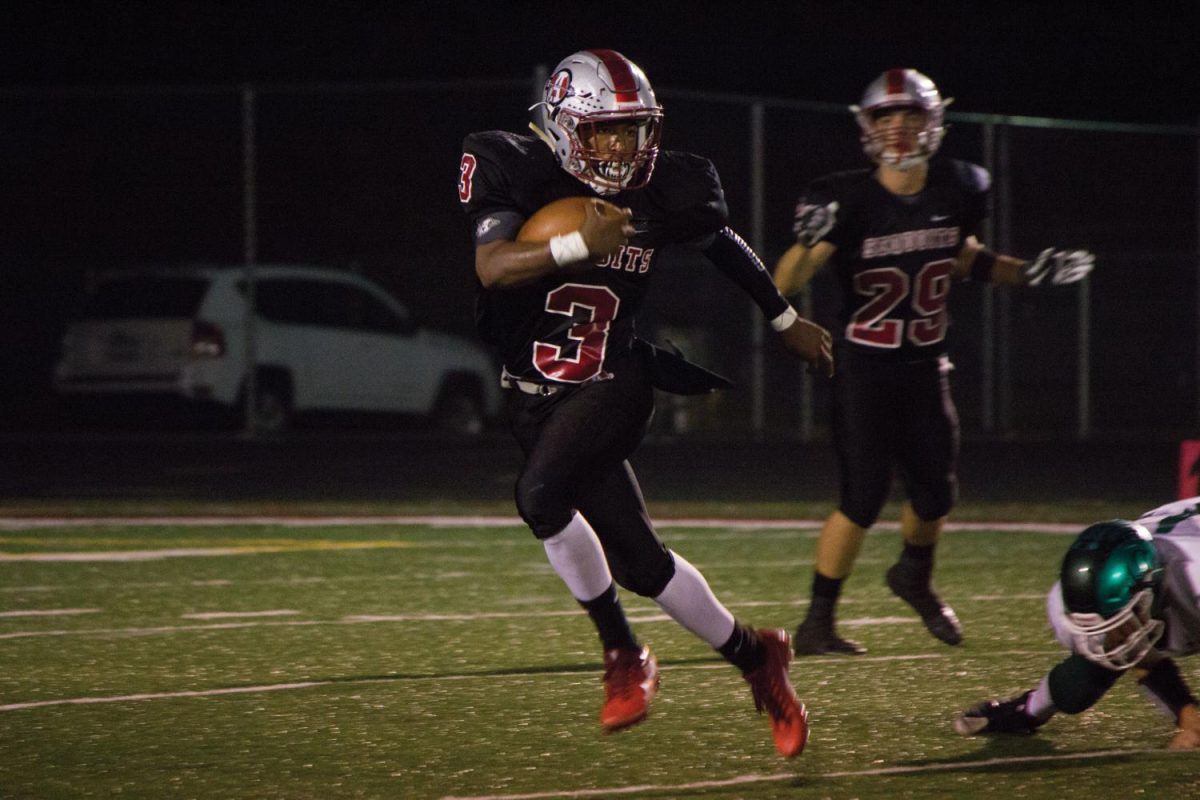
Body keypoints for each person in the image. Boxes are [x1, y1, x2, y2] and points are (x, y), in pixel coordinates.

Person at [457, 49, 832, 758]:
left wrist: (783, 319)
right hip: (533, 393)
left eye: (632, 131)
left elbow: (720, 241)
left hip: (616, 380)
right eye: (604, 132)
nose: (621, 149)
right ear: (565, 125)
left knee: (539, 496)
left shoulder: (667, 189)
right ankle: (759, 656)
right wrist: (574, 243)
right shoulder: (515, 167)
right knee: (642, 563)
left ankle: (624, 654)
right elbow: (493, 265)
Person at [772, 68, 1095, 656]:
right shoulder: (842, 195)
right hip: (864, 366)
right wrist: (808, 240)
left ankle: (913, 576)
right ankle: (819, 621)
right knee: (863, 496)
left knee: (937, 494)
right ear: (866, 126)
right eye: (884, 117)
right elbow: (784, 283)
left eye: (910, 115)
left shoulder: (963, 184)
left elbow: (964, 256)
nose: (897, 128)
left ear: (934, 121)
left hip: (925, 365)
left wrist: (1028, 273)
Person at [953, 497, 1200, 751]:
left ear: (1153, 587)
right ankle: (1025, 710)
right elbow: (1133, 652)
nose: (1116, 638)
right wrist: (1187, 716)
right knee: (1083, 680)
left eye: (1121, 623)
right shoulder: (1068, 602)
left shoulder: (1193, 580)